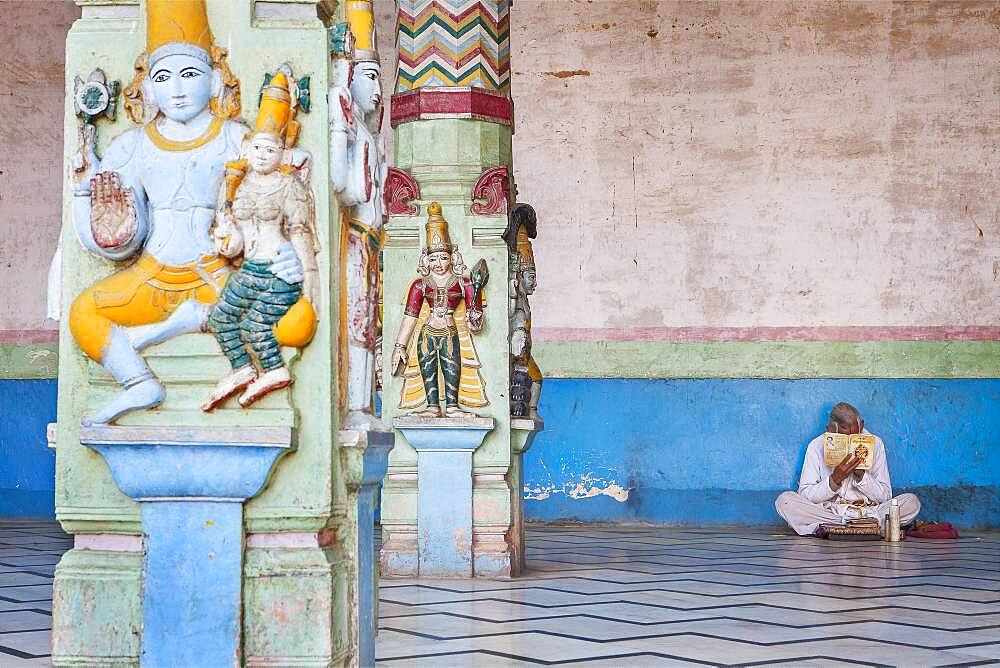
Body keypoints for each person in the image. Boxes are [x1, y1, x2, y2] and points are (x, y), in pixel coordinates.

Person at [201, 73, 319, 411]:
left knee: (256, 326)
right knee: (221, 318)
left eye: (271, 149)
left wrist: (307, 277)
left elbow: (300, 232)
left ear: (282, 152)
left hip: (280, 271)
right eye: (258, 148)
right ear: (248, 147)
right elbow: (233, 236)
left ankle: (274, 370)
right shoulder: (238, 184)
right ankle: (241, 369)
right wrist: (226, 238)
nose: (263, 155)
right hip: (250, 268)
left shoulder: (289, 186)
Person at [775, 402, 920, 536]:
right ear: (829, 430)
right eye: (843, 438)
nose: (850, 442)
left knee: (911, 502)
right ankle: (860, 527)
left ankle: (837, 528)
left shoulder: (876, 444)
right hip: (832, 513)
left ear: (861, 425)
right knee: (785, 501)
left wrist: (862, 477)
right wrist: (834, 480)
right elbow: (805, 495)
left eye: (855, 435)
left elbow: (885, 497)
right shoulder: (816, 446)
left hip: (869, 512)